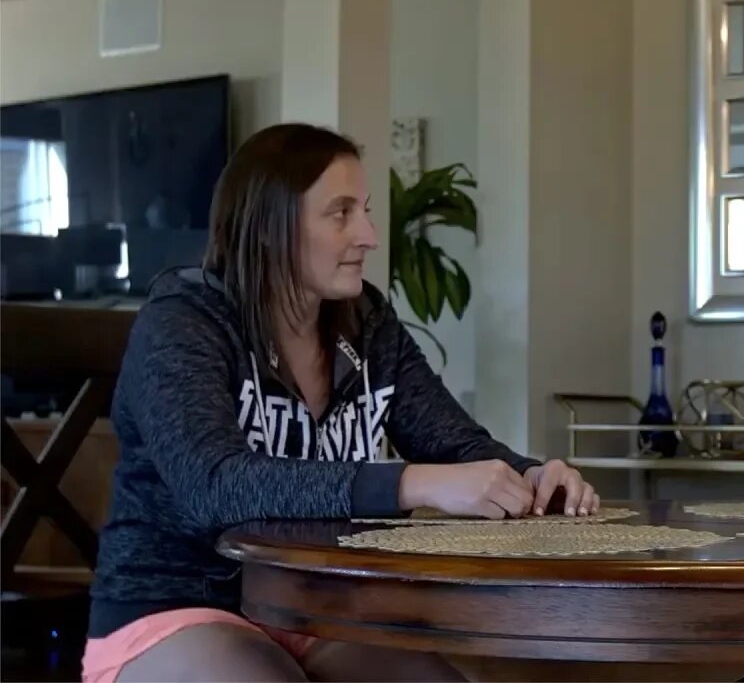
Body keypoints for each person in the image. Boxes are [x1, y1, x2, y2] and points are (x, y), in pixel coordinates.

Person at [82, 123, 599, 682]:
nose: (370, 236)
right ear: (268, 227)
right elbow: (214, 484)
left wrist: (532, 476)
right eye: (341, 213)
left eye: (366, 211)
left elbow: (457, 445)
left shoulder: (368, 324)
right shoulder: (184, 322)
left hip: (314, 610)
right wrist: (409, 483)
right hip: (175, 605)